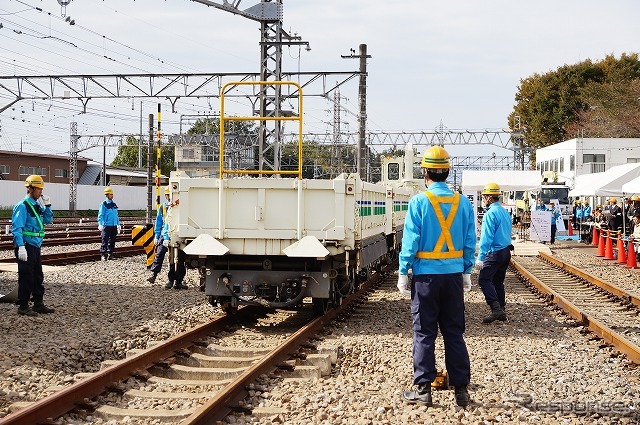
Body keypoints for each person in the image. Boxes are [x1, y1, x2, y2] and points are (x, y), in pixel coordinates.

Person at [397, 145, 475, 408]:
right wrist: (467, 270)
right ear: (448, 172)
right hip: (453, 277)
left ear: (425, 172)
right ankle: (461, 390)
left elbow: (410, 240)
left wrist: (402, 271)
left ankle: (423, 389)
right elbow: (468, 240)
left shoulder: (419, 201)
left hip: (426, 278)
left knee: (424, 333)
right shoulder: (462, 203)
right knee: (454, 332)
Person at [11, 175, 55, 316]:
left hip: (35, 246)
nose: (41, 192)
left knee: (37, 276)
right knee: (26, 275)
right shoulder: (22, 206)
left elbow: (48, 220)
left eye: (41, 189)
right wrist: (21, 247)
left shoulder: (37, 206)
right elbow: (17, 228)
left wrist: (47, 206)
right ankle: (23, 306)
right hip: (25, 245)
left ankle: (38, 304)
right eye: (38, 189)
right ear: (30, 188)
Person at [475, 182, 513, 324]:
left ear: (489, 197)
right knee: (498, 281)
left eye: (484, 196)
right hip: (506, 251)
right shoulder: (504, 211)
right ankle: (501, 309)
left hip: (495, 252)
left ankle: (496, 309)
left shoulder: (490, 214)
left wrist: (480, 257)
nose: (483, 199)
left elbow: (486, 237)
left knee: (484, 280)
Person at [147, 187, 171, 285]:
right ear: (165, 196)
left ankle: (175, 280)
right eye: (168, 195)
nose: (169, 196)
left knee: (175, 259)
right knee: (159, 254)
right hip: (164, 234)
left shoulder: (178, 205)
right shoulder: (163, 207)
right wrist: (156, 236)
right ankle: (154, 274)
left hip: (174, 235)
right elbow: (159, 222)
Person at [98, 186, 121, 261]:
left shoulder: (114, 204)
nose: (112, 195)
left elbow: (116, 215)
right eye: (110, 194)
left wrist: (118, 224)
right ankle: (103, 255)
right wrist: (100, 224)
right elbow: (100, 215)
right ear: (107, 195)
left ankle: (110, 254)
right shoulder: (104, 204)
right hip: (106, 225)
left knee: (112, 240)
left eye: (112, 194)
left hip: (114, 225)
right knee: (105, 240)